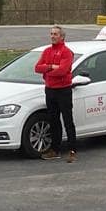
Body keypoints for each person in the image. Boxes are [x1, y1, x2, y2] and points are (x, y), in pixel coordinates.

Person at [34, 25, 77, 162]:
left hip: (64, 90)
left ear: (62, 36)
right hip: (50, 90)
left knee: (67, 120)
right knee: (53, 121)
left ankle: (72, 150)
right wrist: (51, 67)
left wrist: (48, 71)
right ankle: (55, 149)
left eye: (55, 34)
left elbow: (63, 71)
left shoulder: (66, 52)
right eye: (51, 34)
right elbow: (37, 68)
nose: (52, 36)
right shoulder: (47, 51)